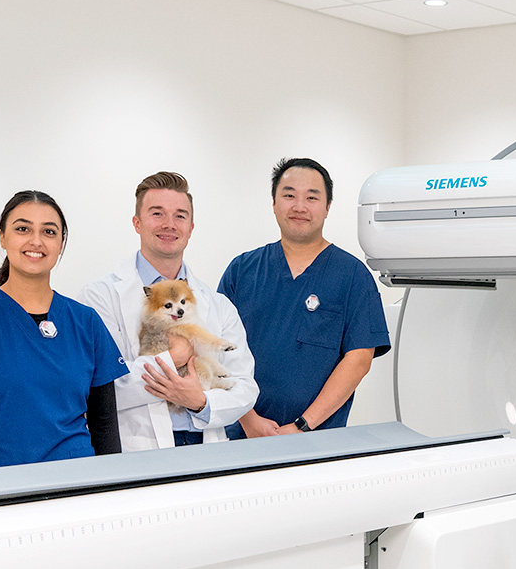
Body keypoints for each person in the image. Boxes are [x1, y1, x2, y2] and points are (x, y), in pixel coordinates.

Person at [0, 191, 125, 469]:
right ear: (2, 237)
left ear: (61, 243)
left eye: (49, 231)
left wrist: (115, 491)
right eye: (23, 229)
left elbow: (105, 425)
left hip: (83, 482)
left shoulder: (86, 321)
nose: (36, 241)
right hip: (9, 485)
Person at [80, 171, 259, 450]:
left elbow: (245, 386)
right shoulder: (100, 297)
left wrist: (200, 401)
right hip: (138, 449)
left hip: (207, 442)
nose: (169, 225)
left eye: (180, 216)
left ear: (191, 227)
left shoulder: (218, 304)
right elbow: (101, 387)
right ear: (137, 223)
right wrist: (174, 358)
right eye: (157, 214)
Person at [219, 157, 390, 438]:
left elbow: (359, 359)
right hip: (240, 435)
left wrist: (303, 425)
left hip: (318, 439)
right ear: (274, 204)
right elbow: (216, 349)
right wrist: (247, 418)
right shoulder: (242, 270)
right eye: (289, 196)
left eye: (311, 197)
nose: (299, 207)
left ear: (327, 208)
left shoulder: (352, 276)